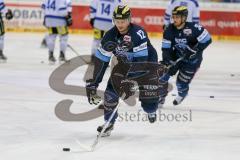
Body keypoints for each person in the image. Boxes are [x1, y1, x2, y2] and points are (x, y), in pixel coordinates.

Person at [86, 5, 165, 137]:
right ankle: (108, 123)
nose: (120, 24)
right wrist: (93, 83)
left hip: (147, 63)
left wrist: (129, 80)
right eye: (117, 21)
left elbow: (141, 62)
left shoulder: (138, 33)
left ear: (129, 20)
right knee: (110, 93)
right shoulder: (109, 36)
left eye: (123, 21)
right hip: (124, 63)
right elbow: (101, 62)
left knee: (149, 104)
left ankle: (151, 109)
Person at [159, 6, 212, 107]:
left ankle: (182, 94)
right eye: (173, 17)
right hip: (177, 56)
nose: (174, 19)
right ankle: (160, 97)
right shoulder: (169, 30)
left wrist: (195, 50)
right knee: (163, 75)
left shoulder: (194, 28)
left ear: (184, 18)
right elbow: (166, 49)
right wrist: (167, 60)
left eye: (177, 17)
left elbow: (208, 39)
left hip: (192, 61)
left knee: (181, 83)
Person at [42, 0, 72, 64]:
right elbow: (62, 10)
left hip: (49, 19)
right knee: (64, 37)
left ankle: (51, 56)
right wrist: (68, 17)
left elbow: (43, 7)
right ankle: (62, 56)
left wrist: (45, 18)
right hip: (59, 20)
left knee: (51, 37)